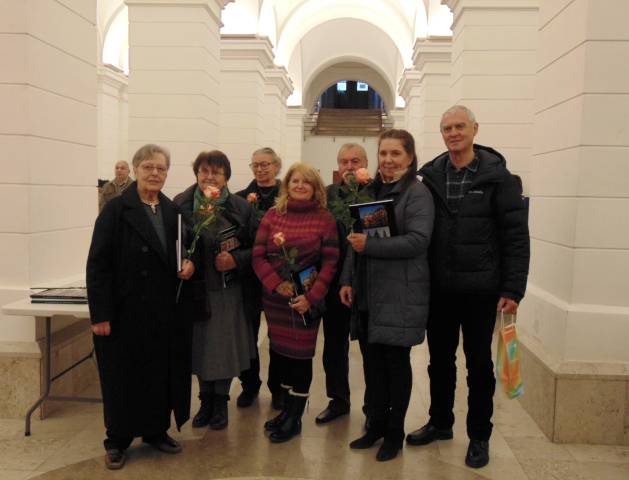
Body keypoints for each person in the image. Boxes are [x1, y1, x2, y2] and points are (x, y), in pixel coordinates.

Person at [406, 105, 530, 469]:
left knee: (479, 366)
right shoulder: (431, 177)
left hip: (481, 289)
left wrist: (513, 289)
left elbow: (515, 237)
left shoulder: (499, 179)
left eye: (460, 126)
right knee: (439, 362)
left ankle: (479, 436)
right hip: (441, 288)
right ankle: (440, 422)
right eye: (447, 128)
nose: (453, 133)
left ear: (475, 129)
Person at [87, 144, 195, 470]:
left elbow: (188, 250)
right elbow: (98, 265)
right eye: (148, 167)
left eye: (161, 168)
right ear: (135, 170)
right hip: (124, 312)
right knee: (122, 377)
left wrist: (190, 264)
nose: (154, 173)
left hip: (162, 312)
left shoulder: (173, 211)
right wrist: (101, 315)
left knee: (158, 374)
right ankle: (117, 440)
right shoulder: (116, 210)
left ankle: (155, 431)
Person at [340, 129, 434, 462]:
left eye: (396, 153)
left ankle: (394, 433)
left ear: (410, 157)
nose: (388, 160)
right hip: (369, 293)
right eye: (383, 153)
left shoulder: (417, 193)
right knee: (373, 366)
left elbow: (418, 241)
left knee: (396, 366)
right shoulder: (371, 190)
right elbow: (356, 240)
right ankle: (376, 426)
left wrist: (371, 245)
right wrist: (347, 280)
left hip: (399, 294)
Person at [252, 162, 339, 443]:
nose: (300, 185)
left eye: (307, 182)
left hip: (305, 302)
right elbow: (258, 255)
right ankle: (286, 411)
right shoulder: (273, 215)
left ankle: (295, 418)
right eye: (295, 181)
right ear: (287, 184)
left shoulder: (324, 218)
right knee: (282, 356)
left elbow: (330, 262)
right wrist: (276, 284)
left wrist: (311, 297)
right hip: (276, 301)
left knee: (300, 358)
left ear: (315, 188)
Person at [174, 150, 256, 431]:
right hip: (195, 287)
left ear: (226, 177)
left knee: (223, 348)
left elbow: (257, 248)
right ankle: (205, 400)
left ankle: (220, 401)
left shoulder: (241, 207)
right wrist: (185, 261)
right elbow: (174, 242)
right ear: (197, 174)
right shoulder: (181, 203)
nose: (210, 177)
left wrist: (236, 260)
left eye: (216, 172)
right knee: (200, 347)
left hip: (227, 289)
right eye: (204, 171)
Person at [316, 143, 370, 425]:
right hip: (334, 283)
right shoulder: (326, 195)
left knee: (371, 350)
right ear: (338, 166)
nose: (349, 166)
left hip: (369, 283)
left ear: (365, 164)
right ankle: (338, 399)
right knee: (334, 347)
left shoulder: (376, 193)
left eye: (355, 161)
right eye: (344, 161)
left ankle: (374, 406)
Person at [234, 147, 283, 409]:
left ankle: (278, 387)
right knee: (248, 335)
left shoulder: (289, 196)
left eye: (265, 164)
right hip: (249, 276)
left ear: (277, 166)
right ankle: (249, 385)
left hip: (279, 275)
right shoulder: (240, 199)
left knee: (279, 336)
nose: (260, 169)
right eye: (255, 165)